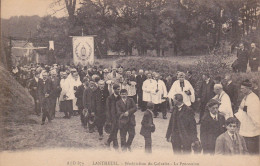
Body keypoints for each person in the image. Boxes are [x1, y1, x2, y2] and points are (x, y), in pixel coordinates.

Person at [235, 79, 260, 154]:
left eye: (243, 88)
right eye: (241, 88)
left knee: (252, 150)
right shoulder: (246, 96)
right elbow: (242, 107)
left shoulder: (254, 98)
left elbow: (254, 113)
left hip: (252, 128)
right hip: (246, 125)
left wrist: (245, 108)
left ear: (248, 88)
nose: (241, 90)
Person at [105, 84, 121, 150]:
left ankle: (108, 141)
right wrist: (108, 119)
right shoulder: (109, 98)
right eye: (118, 89)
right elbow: (107, 109)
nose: (119, 90)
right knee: (114, 130)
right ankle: (115, 145)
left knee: (115, 131)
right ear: (114, 90)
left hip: (119, 117)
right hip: (112, 117)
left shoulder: (120, 97)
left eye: (119, 89)